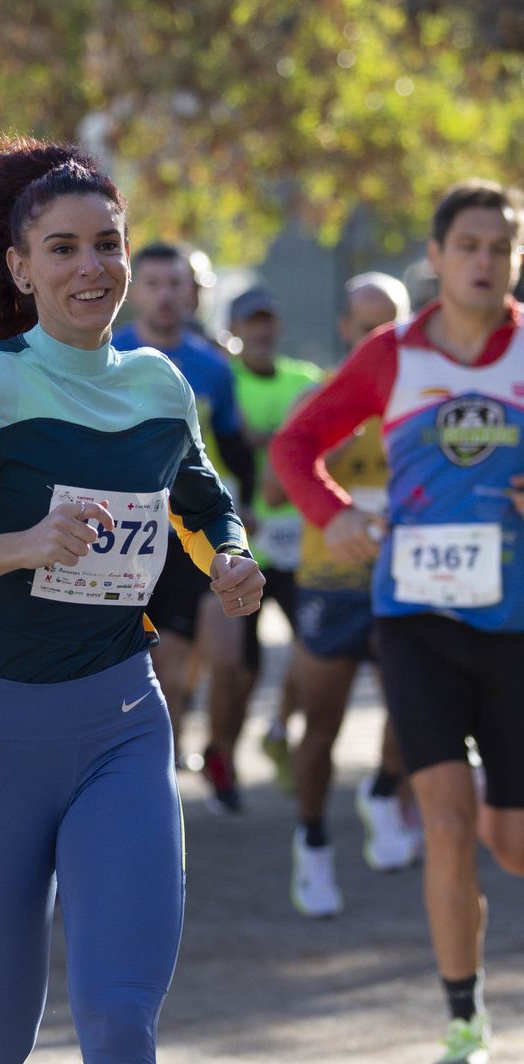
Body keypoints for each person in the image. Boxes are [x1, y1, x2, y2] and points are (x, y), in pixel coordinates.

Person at [0, 137, 262, 1064]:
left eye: (108, 244)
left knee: (121, 1022)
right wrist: (16, 548)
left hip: (122, 721)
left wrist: (230, 559)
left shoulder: (161, 385)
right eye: (65, 248)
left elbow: (200, 500)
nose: (93, 268)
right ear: (20, 267)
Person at [272, 180, 524, 1063]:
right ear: (439, 257)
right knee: (446, 823)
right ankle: (464, 1021)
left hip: (518, 628)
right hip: (416, 619)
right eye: (470, 246)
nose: (486, 262)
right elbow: (294, 445)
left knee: (510, 838)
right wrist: (334, 512)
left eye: (502, 246)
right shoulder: (393, 355)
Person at [269, 272, 419, 918]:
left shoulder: (423, 393)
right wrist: (342, 463)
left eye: (386, 324)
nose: (374, 338)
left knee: (418, 703)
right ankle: (314, 839)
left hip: (406, 575)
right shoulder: (321, 396)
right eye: (363, 326)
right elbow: (278, 488)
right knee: (322, 725)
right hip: (331, 581)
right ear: (345, 330)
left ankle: (385, 790)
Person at [115, 243, 256, 808]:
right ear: (133, 290)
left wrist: (245, 511)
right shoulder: (110, 352)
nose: (165, 295)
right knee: (167, 675)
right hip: (140, 537)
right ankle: (162, 788)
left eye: (175, 284)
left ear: (190, 292)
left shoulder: (212, 367)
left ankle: (220, 752)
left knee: (229, 659)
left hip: (199, 527)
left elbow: (234, 450)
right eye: (152, 284)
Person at [224, 286, 321, 793]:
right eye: (250, 322)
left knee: (312, 651)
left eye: (267, 321)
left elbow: (326, 440)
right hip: (240, 546)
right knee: (240, 669)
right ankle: (229, 761)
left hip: (296, 544)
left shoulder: (305, 380)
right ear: (235, 330)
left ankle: (279, 730)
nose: (260, 331)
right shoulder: (225, 382)